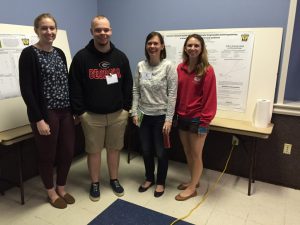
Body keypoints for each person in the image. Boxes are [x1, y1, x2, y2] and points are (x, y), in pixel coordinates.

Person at [68, 15, 133, 201]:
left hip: (117, 114)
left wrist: (126, 109)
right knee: (94, 151)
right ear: (91, 32)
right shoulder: (81, 58)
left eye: (106, 29)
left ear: (111, 31)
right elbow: (74, 86)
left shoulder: (120, 57)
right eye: (98, 30)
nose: (102, 33)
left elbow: (128, 84)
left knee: (114, 150)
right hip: (91, 116)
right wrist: (80, 112)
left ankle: (114, 179)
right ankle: (95, 183)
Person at [19, 13, 75, 209]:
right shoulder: (29, 54)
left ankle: (61, 186)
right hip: (46, 112)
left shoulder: (59, 52)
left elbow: (65, 81)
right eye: (44, 28)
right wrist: (38, 119)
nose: (49, 32)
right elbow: (26, 89)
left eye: (52, 28)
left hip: (65, 110)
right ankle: (51, 192)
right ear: (36, 30)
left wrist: (74, 109)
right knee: (47, 154)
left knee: (68, 151)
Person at [131, 32, 177, 197]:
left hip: (161, 117)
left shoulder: (168, 66)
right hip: (143, 115)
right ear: (146, 46)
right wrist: (134, 111)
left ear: (162, 46)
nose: (152, 46)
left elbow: (172, 94)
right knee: (146, 150)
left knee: (161, 152)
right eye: (149, 43)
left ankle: (161, 182)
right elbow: (136, 89)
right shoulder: (140, 66)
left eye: (156, 43)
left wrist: (169, 119)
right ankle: (149, 178)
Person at [174, 34, 217, 201]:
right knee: (187, 151)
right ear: (185, 48)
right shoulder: (180, 68)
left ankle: (192, 188)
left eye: (196, 46)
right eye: (189, 45)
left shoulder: (207, 70)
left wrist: (204, 122)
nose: (192, 48)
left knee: (196, 154)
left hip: (197, 119)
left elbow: (210, 98)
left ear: (201, 49)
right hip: (181, 117)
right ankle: (194, 181)